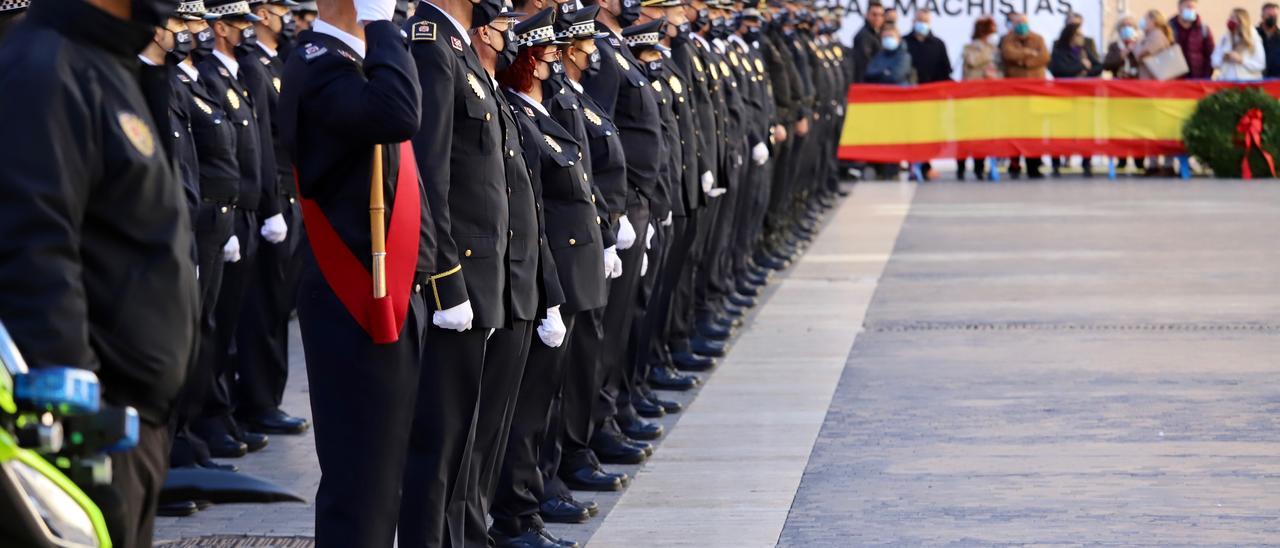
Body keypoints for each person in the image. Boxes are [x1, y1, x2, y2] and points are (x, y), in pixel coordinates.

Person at [0, 0, 200, 544]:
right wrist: (75, 430)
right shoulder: (47, 68)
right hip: (93, 431)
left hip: (130, 425)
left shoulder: (102, 61)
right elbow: (34, 248)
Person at [277, 0, 428, 543]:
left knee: (385, 472)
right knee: (360, 479)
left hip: (381, 285)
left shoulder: (346, 61)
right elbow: (399, 112)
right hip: (351, 291)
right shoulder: (320, 64)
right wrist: (383, 25)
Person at [399, 0, 512, 543]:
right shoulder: (430, 47)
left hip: (479, 272)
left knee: (462, 432)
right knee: (437, 440)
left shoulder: (457, 48)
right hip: (456, 275)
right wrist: (445, 281)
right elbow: (428, 174)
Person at [194, 0, 274, 460]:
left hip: (239, 209)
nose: (248, 30)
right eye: (239, 23)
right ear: (219, 27)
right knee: (214, 322)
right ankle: (208, 414)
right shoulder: (208, 73)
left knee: (225, 320)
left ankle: (218, 411)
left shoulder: (234, 71)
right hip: (217, 214)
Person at [233, 0, 312, 437]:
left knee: (278, 302)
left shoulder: (277, 61)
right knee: (263, 306)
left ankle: (269, 396)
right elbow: (261, 138)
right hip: (274, 194)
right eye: (281, 10)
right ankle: (259, 399)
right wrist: (270, 206)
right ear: (263, 14)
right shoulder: (252, 63)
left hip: (289, 192)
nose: (287, 18)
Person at [1049, 21, 1101, 178]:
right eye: (1078, 34)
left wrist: (1086, 72)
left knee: (1085, 129)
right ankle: (1056, 163)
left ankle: (1087, 162)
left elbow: (1098, 66)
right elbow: (1059, 70)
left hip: (1083, 96)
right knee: (1060, 130)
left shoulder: (1085, 50)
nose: (1081, 37)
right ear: (1071, 36)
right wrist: (1081, 66)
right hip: (1064, 97)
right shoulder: (1059, 51)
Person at [1000, 12, 1048, 178]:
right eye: (1018, 22)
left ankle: (1034, 165)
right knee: (1015, 129)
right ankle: (1014, 163)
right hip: (1015, 94)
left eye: (1023, 22)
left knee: (1034, 131)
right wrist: (1029, 54)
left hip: (1035, 93)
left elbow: (1044, 57)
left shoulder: (1038, 39)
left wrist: (1024, 61)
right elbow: (1008, 54)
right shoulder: (1007, 40)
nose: (1021, 25)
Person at [1133, 9, 1177, 176]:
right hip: (1152, 87)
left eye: (1146, 19)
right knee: (1152, 125)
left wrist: (1136, 45)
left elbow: (1141, 54)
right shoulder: (1150, 37)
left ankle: (1164, 163)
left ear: (1153, 21)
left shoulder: (1156, 36)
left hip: (1156, 88)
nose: (1143, 22)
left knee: (1159, 126)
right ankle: (1154, 162)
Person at [1103, 15, 1146, 174]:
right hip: (1118, 92)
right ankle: (1121, 159)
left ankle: (1139, 160)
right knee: (1120, 126)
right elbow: (1107, 64)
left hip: (1137, 91)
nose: (1127, 29)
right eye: (1124, 26)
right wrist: (1121, 55)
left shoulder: (1141, 43)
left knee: (1138, 126)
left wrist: (1134, 51)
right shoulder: (1115, 46)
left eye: (1130, 26)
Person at [959, 15, 998, 181]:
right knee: (967, 134)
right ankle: (961, 167)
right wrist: (986, 52)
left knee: (984, 135)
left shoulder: (995, 49)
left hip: (989, 98)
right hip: (972, 97)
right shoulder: (970, 48)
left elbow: (999, 70)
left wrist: (994, 76)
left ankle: (980, 167)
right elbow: (972, 62)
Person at [1213, 8, 1266, 81]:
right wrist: (1223, 58)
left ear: (1242, 21)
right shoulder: (1225, 38)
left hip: (1248, 84)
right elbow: (1214, 60)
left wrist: (1242, 60)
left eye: (1234, 18)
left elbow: (1260, 64)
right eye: (1230, 17)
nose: (1230, 20)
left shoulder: (1253, 39)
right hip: (1226, 82)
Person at [1170, 0, 1214, 79]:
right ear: (1179, 7)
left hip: (1197, 78)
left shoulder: (1203, 29)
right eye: (1188, 7)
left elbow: (1210, 54)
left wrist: (1206, 75)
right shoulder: (1169, 28)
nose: (1191, 10)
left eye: (1193, 7)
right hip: (1174, 78)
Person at [904, 9, 949, 83]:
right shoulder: (903, 42)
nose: (922, 23)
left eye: (925, 21)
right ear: (913, 21)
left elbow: (945, 71)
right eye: (920, 20)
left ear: (929, 23)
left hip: (932, 90)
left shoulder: (939, 44)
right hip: (909, 89)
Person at [849, 0, 881, 83]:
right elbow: (864, 65)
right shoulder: (864, 36)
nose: (878, 18)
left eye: (881, 15)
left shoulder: (877, 33)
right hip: (868, 83)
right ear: (867, 15)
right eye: (874, 14)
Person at [1260, 3, 1280, 77]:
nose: (1272, 18)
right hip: (1257, 78)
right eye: (1269, 15)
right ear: (1262, 16)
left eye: (1274, 16)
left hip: (1276, 80)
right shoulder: (1254, 34)